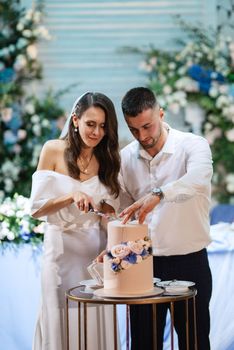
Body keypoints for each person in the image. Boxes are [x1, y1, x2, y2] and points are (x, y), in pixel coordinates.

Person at [119, 87, 213, 350]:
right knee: (143, 344)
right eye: (134, 129)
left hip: (190, 262)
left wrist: (159, 194)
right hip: (142, 265)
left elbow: (197, 179)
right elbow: (120, 209)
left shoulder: (193, 145)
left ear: (161, 113)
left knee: (194, 342)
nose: (142, 136)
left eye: (147, 126)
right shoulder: (125, 157)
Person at [29, 92, 121, 350]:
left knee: (97, 319)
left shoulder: (108, 158)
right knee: (59, 317)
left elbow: (109, 214)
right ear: (75, 120)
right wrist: (71, 195)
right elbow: (36, 209)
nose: (97, 132)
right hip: (60, 254)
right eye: (91, 124)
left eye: (103, 126)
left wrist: (112, 238)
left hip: (96, 257)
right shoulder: (53, 150)